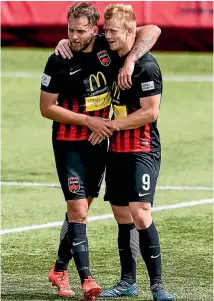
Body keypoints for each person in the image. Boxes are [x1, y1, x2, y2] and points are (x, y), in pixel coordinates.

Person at [40, 2, 161, 300]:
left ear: (95, 31)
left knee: (83, 211)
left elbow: (152, 29)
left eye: (81, 31)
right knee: (78, 210)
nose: (73, 36)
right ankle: (85, 279)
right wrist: (91, 121)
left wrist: (131, 59)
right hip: (71, 142)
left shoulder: (107, 52)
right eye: (69, 30)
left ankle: (59, 268)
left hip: (101, 142)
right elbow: (46, 108)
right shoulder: (59, 58)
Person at [88, 4, 176, 301]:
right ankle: (128, 282)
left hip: (142, 148)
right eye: (105, 30)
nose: (106, 36)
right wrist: (65, 41)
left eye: (112, 32)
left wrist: (110, 125)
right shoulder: (110, 51)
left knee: (141, 214)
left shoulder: (146, 66)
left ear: (129, 32)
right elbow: (84, 40)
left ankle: (157, 286)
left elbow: (150, 113)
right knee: (122, 216)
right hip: (118, 151)